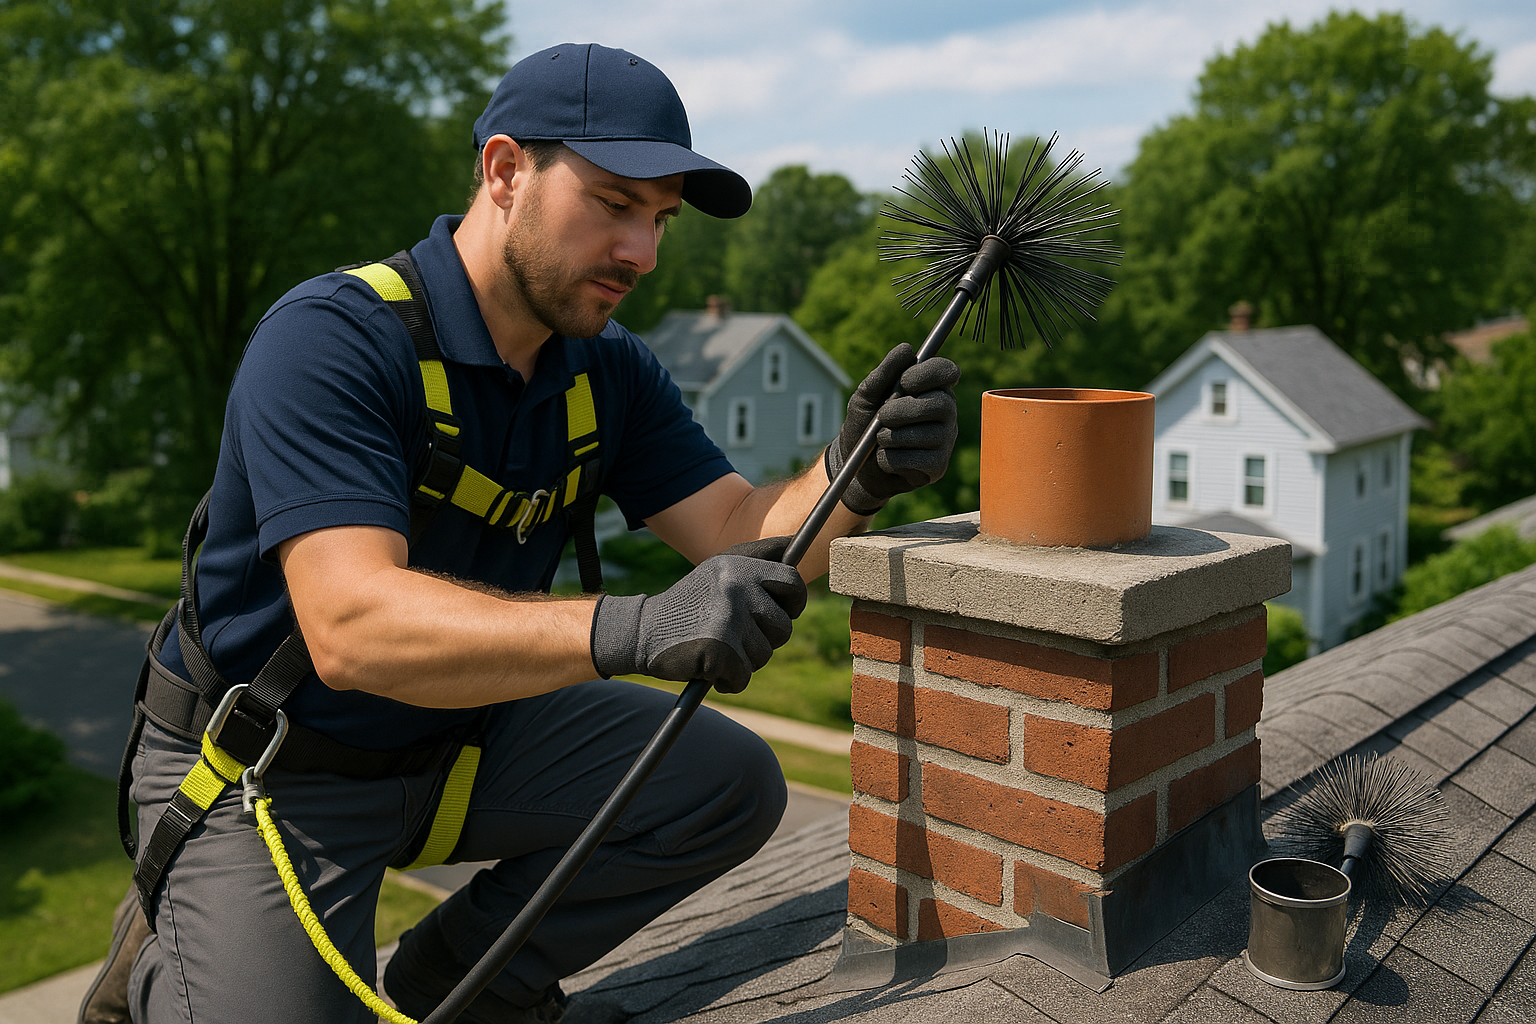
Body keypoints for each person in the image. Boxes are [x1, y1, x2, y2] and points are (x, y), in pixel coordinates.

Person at [81, 42, 959, 1024]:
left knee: (727, 783)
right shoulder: (334, 339)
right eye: (615, 204)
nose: (644, 254)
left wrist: (857, 468)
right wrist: (630, 627)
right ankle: (164, 967)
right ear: (504, 171)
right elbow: (352, 624)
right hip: (275, 768)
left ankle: (465, 983)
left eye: (661, 220)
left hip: (462, 741)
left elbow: (740, 529)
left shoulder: (606, 371)